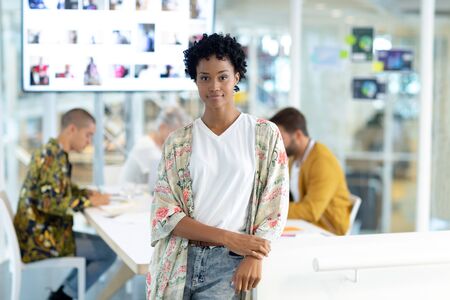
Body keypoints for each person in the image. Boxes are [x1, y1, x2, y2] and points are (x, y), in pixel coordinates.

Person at [146, 33, 289, 299]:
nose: (214, 86)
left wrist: (253, 256)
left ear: (236, 77)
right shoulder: (178, 142)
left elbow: (274, 208)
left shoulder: (264, 135)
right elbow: (165, 213)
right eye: (205, 77)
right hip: (179, 261)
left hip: (230, 266)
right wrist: (228, 237)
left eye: (223, 76)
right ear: (196, 81)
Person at [13, 108, 116, 300]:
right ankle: (63, 297)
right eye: (88, 135)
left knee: (104, 248)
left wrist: (84, 193)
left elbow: (59, 190)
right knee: (108, 253)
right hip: (41, 238)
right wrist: (89, 201)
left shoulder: (53, 153)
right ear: (72, 129)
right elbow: (50, 203)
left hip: (42, 232)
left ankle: (64, 294)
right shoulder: (51, 157)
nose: (89, 142)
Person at [269, 107, 352, 235]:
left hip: (328, 231)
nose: (277, 144)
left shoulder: (322, 161)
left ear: (297, 135)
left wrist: (271, 210)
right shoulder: (295, 158)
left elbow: (311, 211)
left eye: (281, 139)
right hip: (306, 226)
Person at [120, 106, 191, 192]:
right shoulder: (146, 147)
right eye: (177, 134)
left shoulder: (161, 146)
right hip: (131, 197)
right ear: (162, 128)